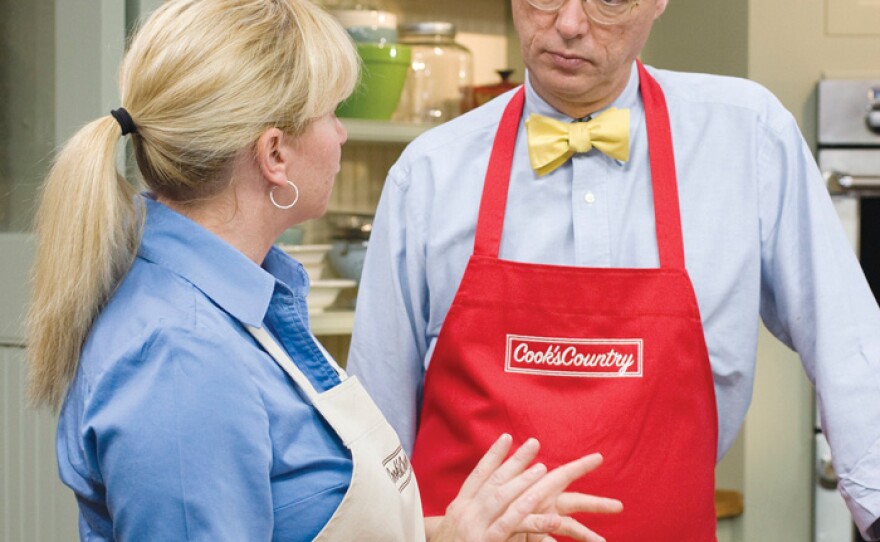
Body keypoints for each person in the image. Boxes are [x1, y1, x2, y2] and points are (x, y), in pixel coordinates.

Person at [25, 1, 625, 540]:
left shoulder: (244, 302)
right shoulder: (183, 357)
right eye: (332, 113)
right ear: (275, 154)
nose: (341, 134)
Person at [347, 0, 880, 540]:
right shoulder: (429, 172)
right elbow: (373, 429)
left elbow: (850, 344)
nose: (569, 24)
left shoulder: (748, 137)